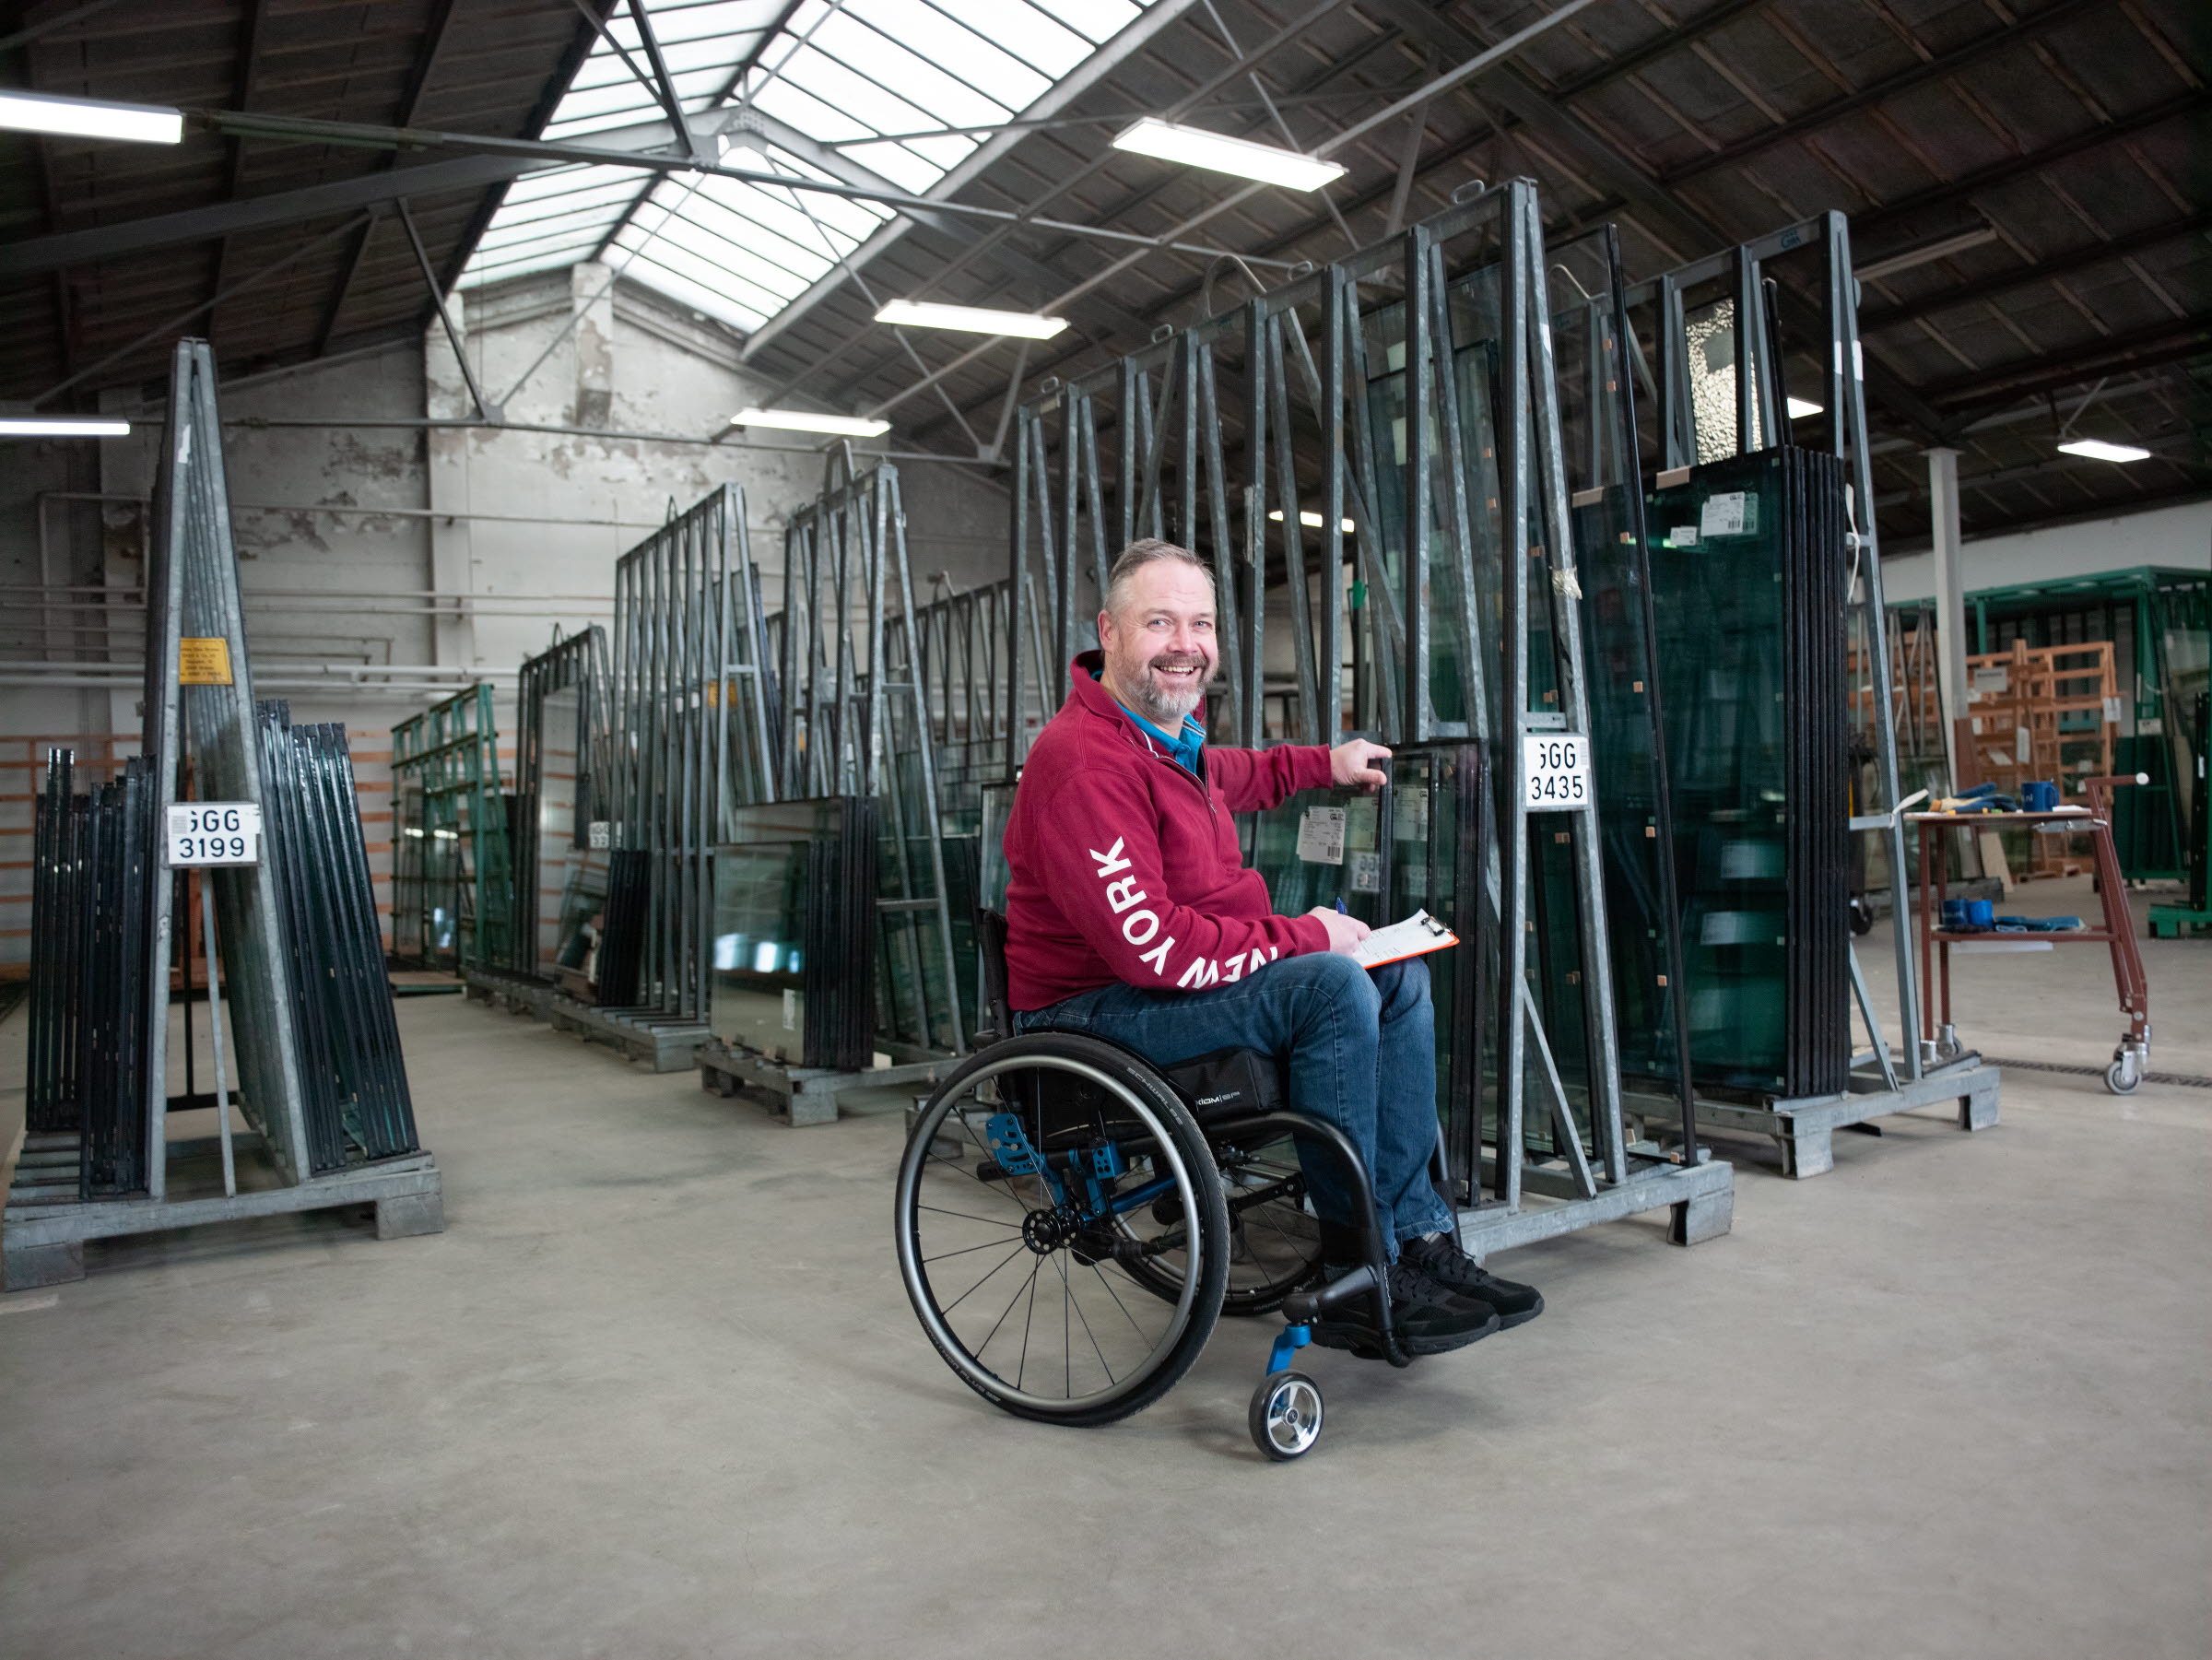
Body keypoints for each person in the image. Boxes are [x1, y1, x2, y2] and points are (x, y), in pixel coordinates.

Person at [1002, 537, 1542, 1357]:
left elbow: (1231, 772)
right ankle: (1359, 1268)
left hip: (1156, 988)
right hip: (1092, 1016)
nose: (1186, 644)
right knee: (1331, 985)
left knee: (1397, 978)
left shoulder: (1158, 737)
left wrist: (1323, 762)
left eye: (1202, 623)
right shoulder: (1085, 763)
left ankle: (1419, 1241)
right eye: (1160, 622)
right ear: (1108, 633)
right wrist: (1304, 935)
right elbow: (1155, 951)